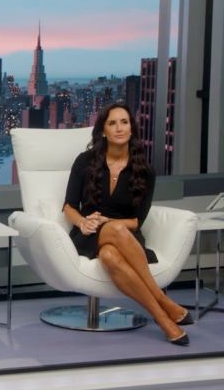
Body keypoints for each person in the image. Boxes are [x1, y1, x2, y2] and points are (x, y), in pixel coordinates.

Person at [63, 101, 192, 346]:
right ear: (103, 131)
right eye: (112, 123)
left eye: (124, 122)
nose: (119, 128)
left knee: (110, 255)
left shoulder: (144, 171)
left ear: (132, 128)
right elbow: (68, 206)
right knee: (113, 232)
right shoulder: (85, 161)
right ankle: (163, 304)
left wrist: (110, 222)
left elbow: (136, 220)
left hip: (126, 235)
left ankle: (161, 318)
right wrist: (82, 222)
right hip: (88, 235)